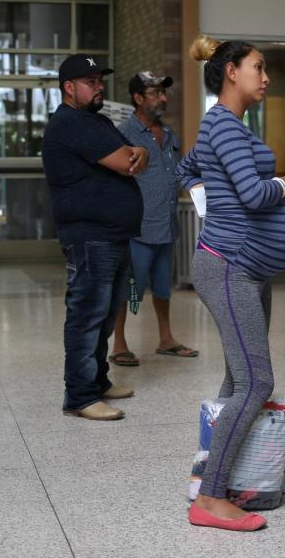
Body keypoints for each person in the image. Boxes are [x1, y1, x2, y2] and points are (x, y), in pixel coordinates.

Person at [179, 35, 285, 531]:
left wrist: (212, 203)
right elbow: (254, 195)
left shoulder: (228, 126)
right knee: (256, 381)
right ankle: (210, 500)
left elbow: (189, 169)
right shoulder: (222, 124)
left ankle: (215, 472)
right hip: (229, 265)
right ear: (231, 71)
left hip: (248, 266)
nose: (266, 76)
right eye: (258, 67)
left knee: (239, 378)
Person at [42, 54, 148, 422]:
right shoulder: (71, 123)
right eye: (90, 81)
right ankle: (80, 395)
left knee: (103, 316)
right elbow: (125, 161)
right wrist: (132, 156)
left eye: (100, 79)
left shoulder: (95, 121)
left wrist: (140, 153)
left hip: (112, 235)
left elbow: (137, 155)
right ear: (69, 88)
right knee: (87, 314)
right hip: (90, 236)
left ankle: (98, 380)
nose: (99, 85)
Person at [109, 71, 198, 367]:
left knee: (163, 287)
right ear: (137, 98)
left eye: (164, 93)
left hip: (166, 225)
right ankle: (119, 343)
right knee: (128, 287)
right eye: (155, 93)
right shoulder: (123, 133)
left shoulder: (170, 134)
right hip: (137, 228)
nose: (163, 98)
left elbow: (179, 172)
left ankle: (166, 338)